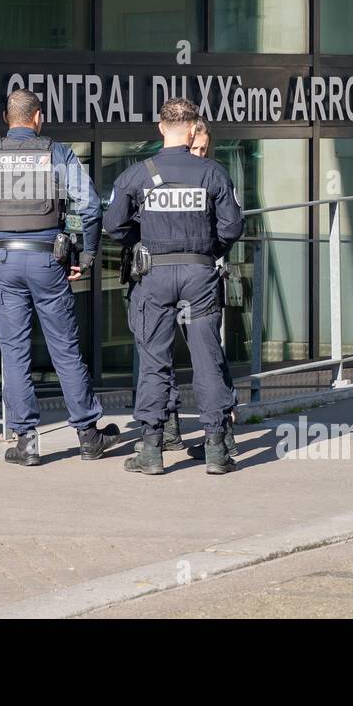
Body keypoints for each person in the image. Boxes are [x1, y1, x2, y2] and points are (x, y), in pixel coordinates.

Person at [0, 89, 118, 466]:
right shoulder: (57, 153)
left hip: (5, 263)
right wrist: (87, 254)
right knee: (64, 348)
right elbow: (89, 207)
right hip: (47, 261)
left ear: (8, 118)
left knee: (14, 350)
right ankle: (88, 435)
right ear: (38, 117)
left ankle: (26, 441)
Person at [105, 98, 244, 475]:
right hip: (200, 273)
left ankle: (152, 450)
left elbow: (113, 225)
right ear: (192, 127)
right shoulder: (212, 173)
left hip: (153, 275)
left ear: (160, 127)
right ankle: (216, 448)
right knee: (207, 360)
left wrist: (143, 237)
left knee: (154, 362)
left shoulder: (137, 175)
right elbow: (232, 227)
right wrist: (206, 251)